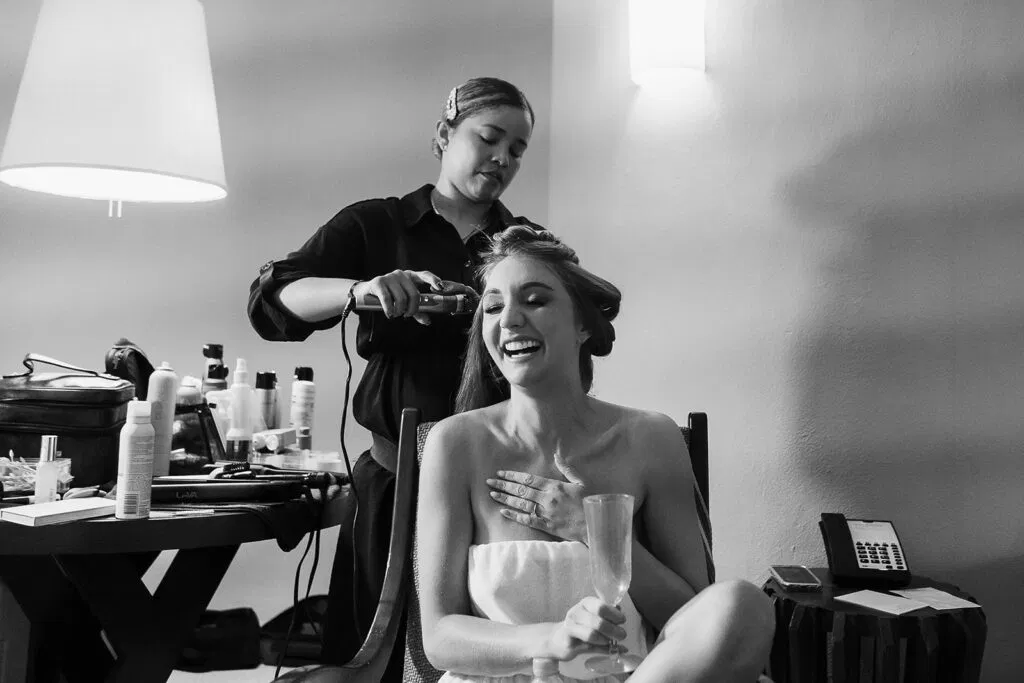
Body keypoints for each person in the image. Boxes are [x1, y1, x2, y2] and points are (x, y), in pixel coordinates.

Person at [247, 77, 541, 677]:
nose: (503, 159)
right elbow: (273, 299)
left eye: (517, 149)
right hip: (392, 484)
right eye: (489, 139)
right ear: (443, 136)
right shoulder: (376, 224)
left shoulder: (523, 245)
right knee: (372, 661)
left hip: (494, 494)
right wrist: (361, 291)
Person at [416, 226, 775, 682]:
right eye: (493, 307)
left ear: (582, 325)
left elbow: (693, 619)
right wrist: (552, 640)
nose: (509, 320)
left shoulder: (651, 438)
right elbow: (439, 639)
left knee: (744, 604)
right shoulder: (454, 444)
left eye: (534, 300)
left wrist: (595, 531)